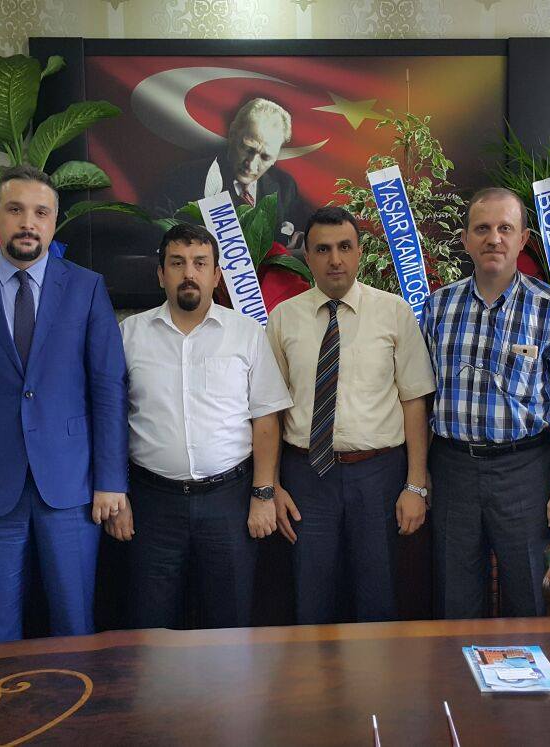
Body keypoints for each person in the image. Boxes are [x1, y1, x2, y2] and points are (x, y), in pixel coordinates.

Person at [0, 165, 129, 643]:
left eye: (41, 213)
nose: (28, 223)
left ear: (54, 222)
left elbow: (109, 389)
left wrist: (111, 479)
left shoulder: (86, 288)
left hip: (72, 487)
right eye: (16, 210)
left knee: (75, 625)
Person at [422, 188, 550, 619]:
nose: (493, 238)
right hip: (453, 468)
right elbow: (421, 397)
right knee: (454, 597)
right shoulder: (438, 307)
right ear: (465, 240)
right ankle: (459, 667)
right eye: (482, 229)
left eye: (505, 228)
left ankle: (528, 668)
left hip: (526, 470)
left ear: (523, 239)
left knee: (529, 594)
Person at [115, 223, 292, 629]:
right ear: (161, 274)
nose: (189, 273)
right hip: (152, 503)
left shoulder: (246, 334)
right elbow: (111, 419)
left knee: (230, 624)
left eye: (200, 263)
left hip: (228, 501)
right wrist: (118, 495)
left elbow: (266, 418)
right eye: (177, 263)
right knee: (151, 625)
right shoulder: (129, 335)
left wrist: (263, 494)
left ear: (216, 275)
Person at [266, 206, 436, 624]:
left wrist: (416, 485)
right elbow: (269, 409)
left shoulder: (394, 312)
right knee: (311, 599)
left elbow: (414, 401)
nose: (335, 259)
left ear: (360, 252)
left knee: (377, 597)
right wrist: (271, 486)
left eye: (345, 247)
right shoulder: (283, 317)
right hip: (306, 476)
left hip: (377, 476)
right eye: (323, 249)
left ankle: (374, 671)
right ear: (308, 256)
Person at [153, 98, 310, 243]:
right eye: (248, 148)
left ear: (276, 156)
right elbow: (153, 229)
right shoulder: (185, 178)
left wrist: (298, 239)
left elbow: (307, 231)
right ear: (232, 133)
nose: (251, 165)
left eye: (265, 157)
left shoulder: (285, 186)